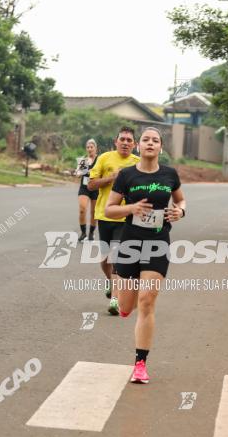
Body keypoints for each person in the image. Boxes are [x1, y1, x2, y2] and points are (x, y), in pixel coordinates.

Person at [104, 127, 186, 384]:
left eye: (155, 140)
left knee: (147, 302)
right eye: (146, 140)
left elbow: (181, 201)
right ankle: (126, 300)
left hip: (158, 242)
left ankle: (140, 363)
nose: (150, 143)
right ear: (139, 146)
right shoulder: (126, 175)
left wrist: (180, 212)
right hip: (130, 242)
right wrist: (132, 208)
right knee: (127, 307)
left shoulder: (170, 174)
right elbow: (110, 209)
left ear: (161, 147)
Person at [87, 127, 140, 315]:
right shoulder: (104, 159)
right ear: (115, 142)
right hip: (104, 215)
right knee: (105, 259)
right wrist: (112, 178)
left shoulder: (138, 163)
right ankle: (111, 281)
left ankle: (115, 300)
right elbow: (91, 184)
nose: (125, 143)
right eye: (122, 139)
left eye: (129, 140)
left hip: (126, 216)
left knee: (117, 256)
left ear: (134, 145)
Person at [75, 139, 99, 241]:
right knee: (82, 209)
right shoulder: (84, 160)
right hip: (84, 187)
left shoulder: (100, 160)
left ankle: (91, 233)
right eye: (88, 147)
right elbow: (78, 173)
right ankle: (83, 232)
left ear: (95, 148)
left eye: (91, 147)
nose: (89, 149)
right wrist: (78, 172)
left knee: (94, 212)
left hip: (95, 188)